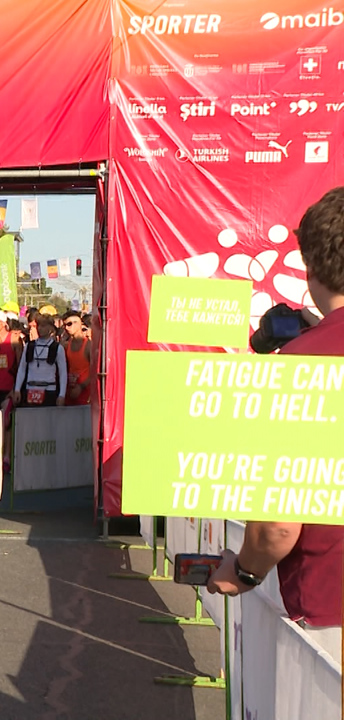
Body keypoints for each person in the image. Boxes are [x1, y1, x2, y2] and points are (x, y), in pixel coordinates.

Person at [208, 187, 344, 662]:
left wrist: (242, 572)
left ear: (310, 267)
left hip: (330, 606)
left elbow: (277, 527)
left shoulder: (301, 360)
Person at [11, 315, 67, 408]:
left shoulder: (57, 348)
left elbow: (63, 373)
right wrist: (17, 389)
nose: (40, 329)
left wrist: (62, 395)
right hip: (30, 389)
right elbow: (22, 369)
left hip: (49, 390)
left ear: (51, 328)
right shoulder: (29, 346)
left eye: (44, 326)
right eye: (39, 326)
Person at [61, 310, 93, 405]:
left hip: (85, 392)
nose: (67, 328)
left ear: (79, 324)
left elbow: (95, 371)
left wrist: (81, 386)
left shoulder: (88, 345)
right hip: (70, 392)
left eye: (69, 324)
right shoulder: (66, 345)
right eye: (65, 325)